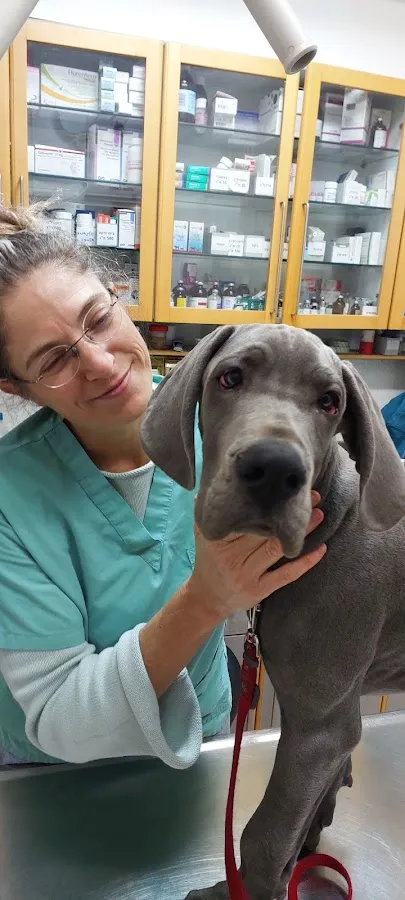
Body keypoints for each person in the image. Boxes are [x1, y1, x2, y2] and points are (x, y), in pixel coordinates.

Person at [0, 203, 326, 768]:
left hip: (201, 735)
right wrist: (206, 600)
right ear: (17, 388)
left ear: (118, 297)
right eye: (54, 360)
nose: (101, 363)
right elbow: (58, 715)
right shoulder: (11, 494)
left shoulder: (230, 421)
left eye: (98, 318)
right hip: (55, 777)